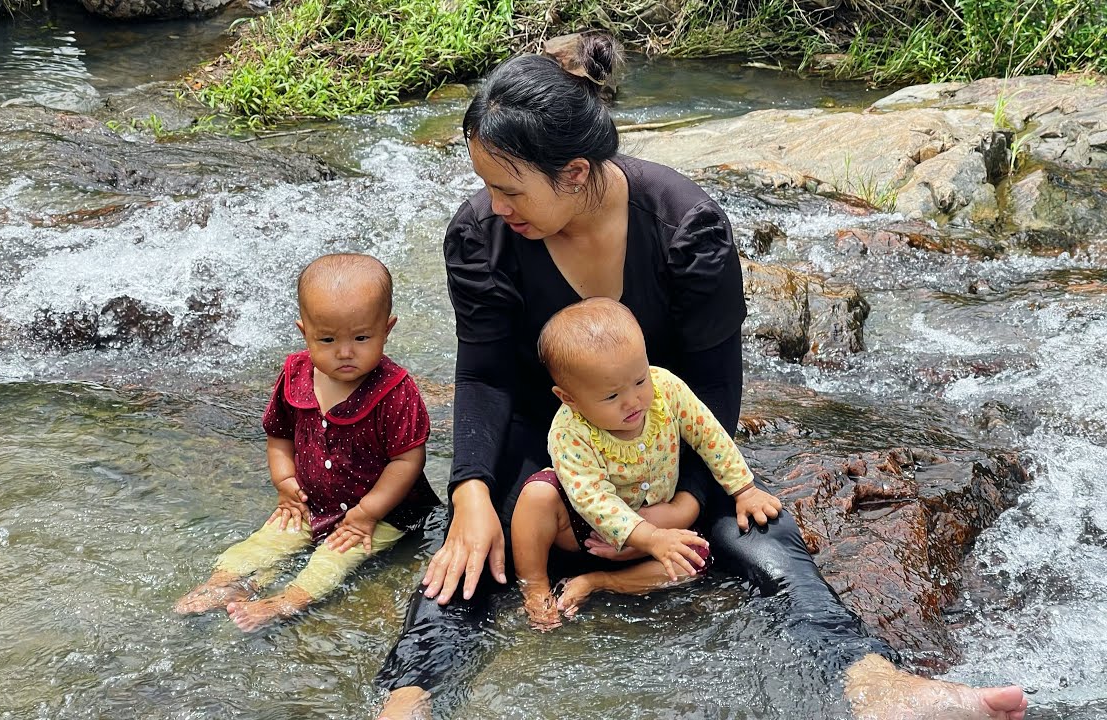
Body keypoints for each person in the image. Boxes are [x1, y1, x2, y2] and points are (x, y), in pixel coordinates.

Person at [374, 34, 1028, 720]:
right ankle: (410, 697)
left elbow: (714, 393)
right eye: (486, 185)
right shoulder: (481, 236)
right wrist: (473, 491)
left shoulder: (687, 228)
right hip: (554, 447)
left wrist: (684, 503)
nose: (494, 204)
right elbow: (485, 376)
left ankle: (875, 683)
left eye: (509, 190)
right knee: (468, 552)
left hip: (666, 443)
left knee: (763, 531)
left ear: (572, 174)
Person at [175, 252, 439, 632]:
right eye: (327, 339)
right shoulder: (296, 373)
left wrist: (365, 514)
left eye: (362, 338)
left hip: (380, 513)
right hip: (313, 502)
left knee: (332, 559)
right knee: (263, 542)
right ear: (305, 332)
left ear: (387, 329)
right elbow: (278, 434)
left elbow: (407, 461)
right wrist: (285, 485)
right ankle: (230, 584)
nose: (345, 352)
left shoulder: (396, 390)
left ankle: (287, 601)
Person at [513, 297, 782, 629]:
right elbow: (592, 499)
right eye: (612, 396)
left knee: (694, 561)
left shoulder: (666, 389)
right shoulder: (570, 432)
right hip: (586, 528)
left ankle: (598, 582)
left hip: (656, 518)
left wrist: (744, 489)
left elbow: (708, 434)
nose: (633, 400)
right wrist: (649, 536)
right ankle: (535, 587)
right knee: (537, 495)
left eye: (640, 379)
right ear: (569, 398)